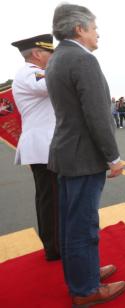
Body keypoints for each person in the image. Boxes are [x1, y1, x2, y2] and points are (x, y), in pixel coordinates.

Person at [46, 3, 125, 306]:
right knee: (83, 225)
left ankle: (84, 274)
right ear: (79, 29)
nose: (98, 33)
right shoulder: (83, 60)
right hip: (83, 157)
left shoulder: (57, 58)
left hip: (67, 152)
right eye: (94, 27)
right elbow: (97, 115)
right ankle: (85, 289)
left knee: (71, 223)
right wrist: (114, 157)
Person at [11, 34, 60, 261]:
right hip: (43, 146)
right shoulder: (30, 72)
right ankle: (54, 247)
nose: (54, 56)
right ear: (37, 54)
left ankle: (54, 245)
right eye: (51, 53)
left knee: (51, 198)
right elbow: (51, 85)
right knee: (50, 200)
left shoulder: (33, 72)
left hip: (45, 145)